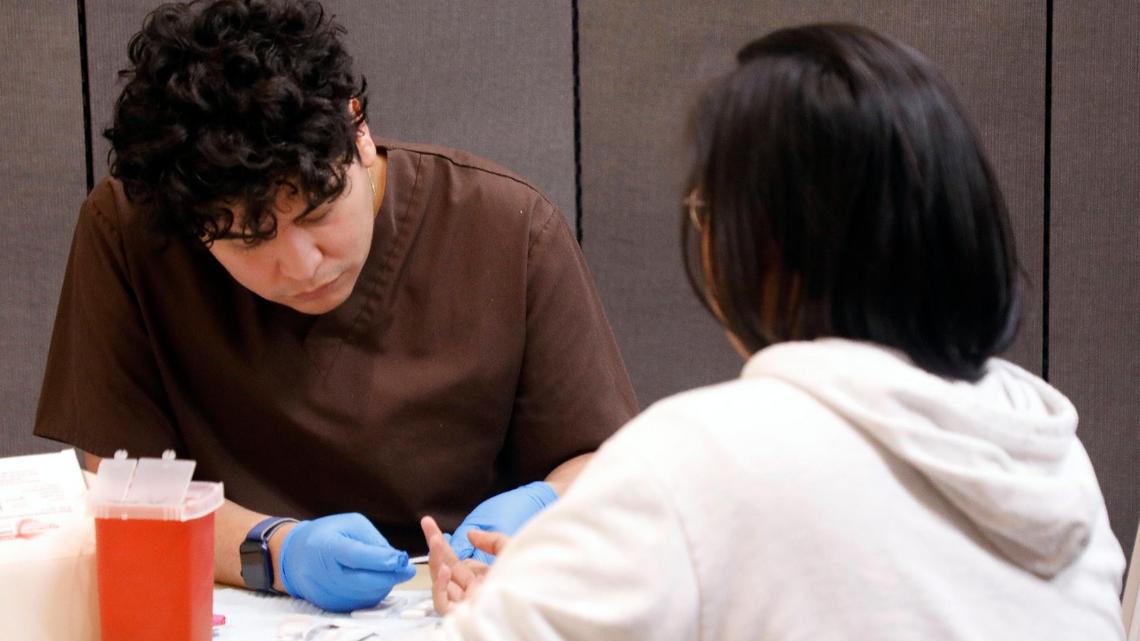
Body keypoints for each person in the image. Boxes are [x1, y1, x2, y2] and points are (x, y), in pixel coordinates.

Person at [411, 23, 1127, 641]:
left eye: (708, 212)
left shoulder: (705, 455)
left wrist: (522, 593)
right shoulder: (1051, 451)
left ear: (768, 248)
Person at [32, 0, 636, 613]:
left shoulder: (510, 231)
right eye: (247, 239)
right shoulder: (132, 229)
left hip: (461, 601)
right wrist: (274, 550)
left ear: (358, 129)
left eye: (318, 212)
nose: (302, 266)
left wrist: (540, 510)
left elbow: (603, 461)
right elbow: (123, 490)